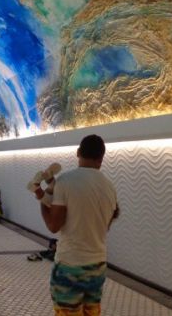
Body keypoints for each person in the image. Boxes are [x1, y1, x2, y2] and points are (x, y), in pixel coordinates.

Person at [28, 134, 119, 316]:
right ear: (101, 158)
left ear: (78, 152)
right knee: (91, 313)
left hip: (70, 265)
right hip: (98, 266)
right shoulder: (110, 187)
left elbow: (54, 225)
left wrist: (42, 200)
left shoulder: (66, 181)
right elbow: (106, 225)